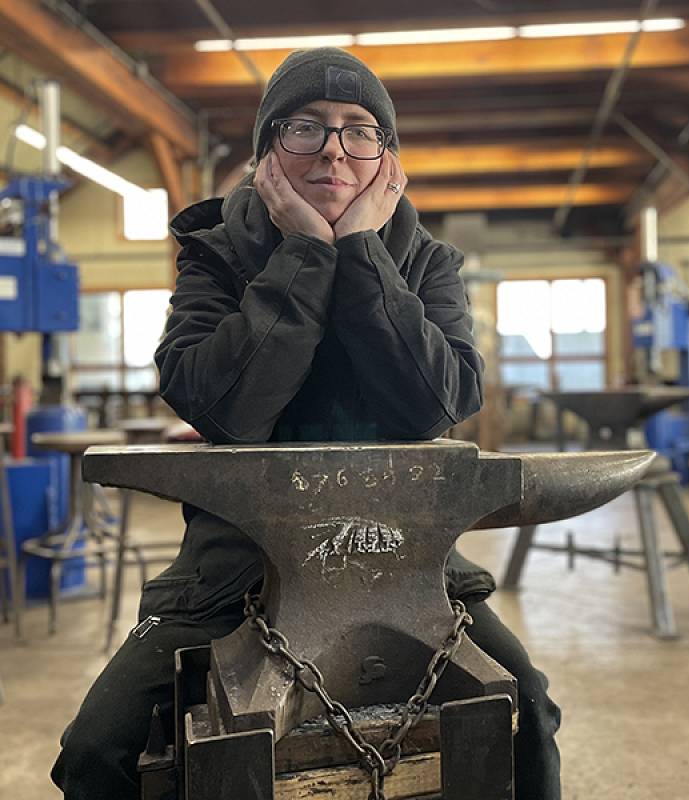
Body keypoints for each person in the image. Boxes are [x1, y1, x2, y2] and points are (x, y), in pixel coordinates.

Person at [52, 48, 561, 799]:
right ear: (267, 153)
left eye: (360, 131)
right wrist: (303, 255)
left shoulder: (426, 263)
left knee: (531, 712)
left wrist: (360, 254)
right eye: (305, 127)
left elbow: (437, 400)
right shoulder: (216, 258)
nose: (333, 147)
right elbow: (227, 409)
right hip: (235, 564)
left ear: (387, 162)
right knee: (96, 749)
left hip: (406, 557)